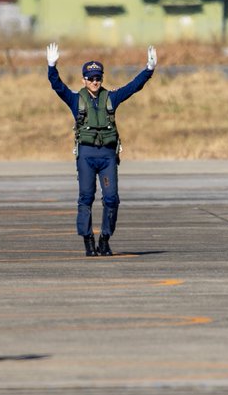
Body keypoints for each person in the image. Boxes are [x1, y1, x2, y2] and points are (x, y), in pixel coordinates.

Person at [46, 43, 157, 256]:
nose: (95, 82)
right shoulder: (76, 100)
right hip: (86, 156)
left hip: (107, 156)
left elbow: (132, 87)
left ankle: (105, 239)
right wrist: (52, 67)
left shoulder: (111, 98)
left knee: (111, 198)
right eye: (90, 78)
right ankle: (88, 240)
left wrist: (149, 70)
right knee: (86, 197)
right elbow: (58, 86)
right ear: (83, 80)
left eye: (98, 78)